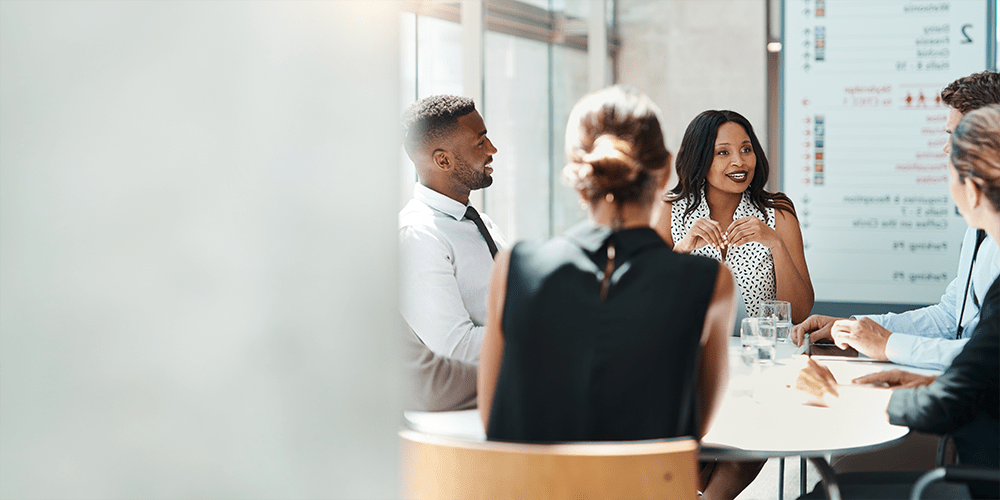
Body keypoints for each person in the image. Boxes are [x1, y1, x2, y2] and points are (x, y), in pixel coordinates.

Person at [477, 86, 734, 498]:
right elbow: (692, 427)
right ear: (667, 170)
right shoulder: (709, 281)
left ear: (577, 172)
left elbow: (494, 420)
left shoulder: (514, 267)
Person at [796, 105, 1000, 499]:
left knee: (825, 494)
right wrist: (920, 379)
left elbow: (949, 405)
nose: (944, 151)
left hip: (977, 484)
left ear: (972, 190)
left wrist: (840, 397)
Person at [791, 71, 1000, 371]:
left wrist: (889, 344)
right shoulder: (979, 225)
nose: (946, 148)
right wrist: (858, 328)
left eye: (955, 135)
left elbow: (990, 355)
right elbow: (951, 317)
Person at [654, 110, 814, 326]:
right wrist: (682, 248)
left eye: (746, 150)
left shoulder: (778, 213)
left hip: (760, 353)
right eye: (723, 153)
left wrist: (776, 244)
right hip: (688, 351)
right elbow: (648, 297)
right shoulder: (670, 210)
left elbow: (799, 313)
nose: (739, 161)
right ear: (700, 158)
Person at [399, 94, 506, 371]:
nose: (492, 149)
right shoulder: (419, 235)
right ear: (443, 160)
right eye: (480, 142)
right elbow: (455, 346)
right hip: (471, 405)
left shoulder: (480, 222)